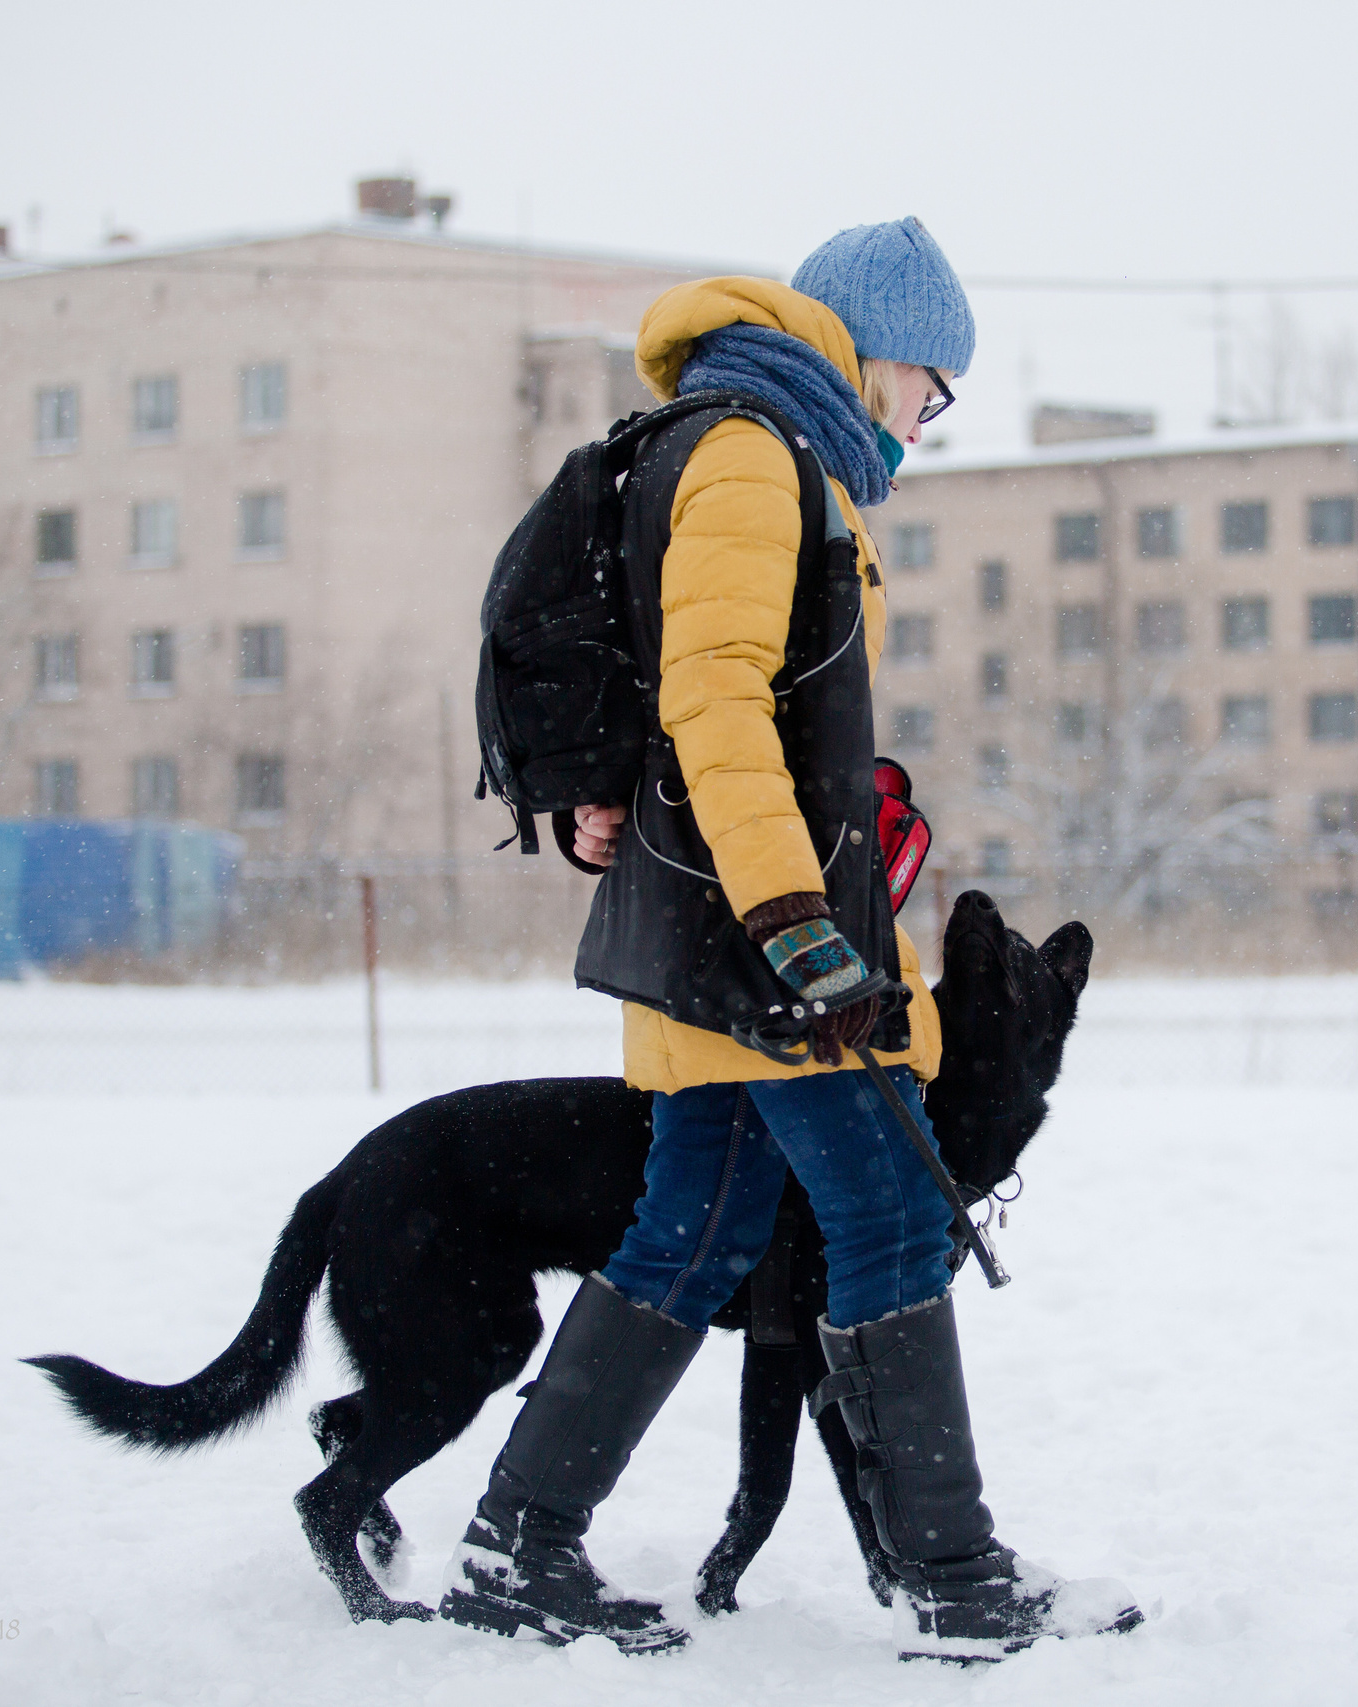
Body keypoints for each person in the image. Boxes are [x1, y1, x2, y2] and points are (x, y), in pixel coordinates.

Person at [437, 218, 1141, 1660]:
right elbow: (716, 702)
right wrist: (796, 924)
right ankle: (953, 1577)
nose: (929, 417)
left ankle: (521, 1547)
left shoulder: (726, 443)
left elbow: (679, 692)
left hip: (704, 933)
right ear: (875, 353)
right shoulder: (757, 456)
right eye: (932, 384)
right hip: (761, 946)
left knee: (693, 1228)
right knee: (890, 1214)